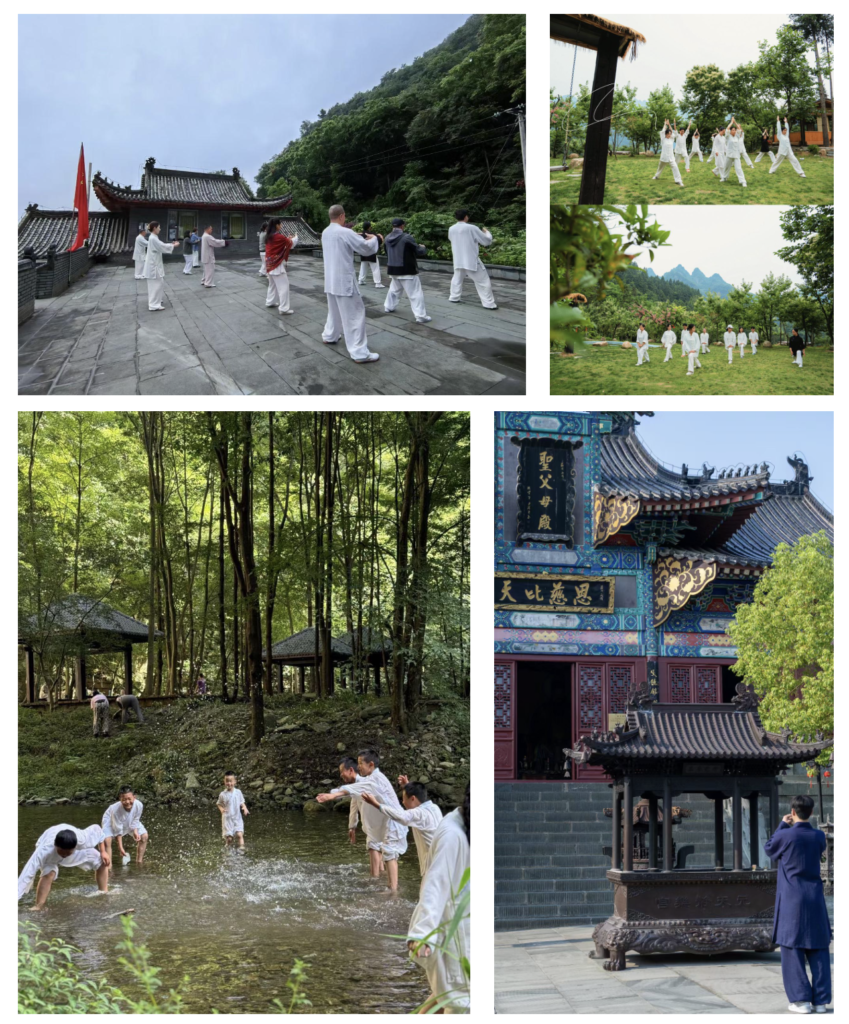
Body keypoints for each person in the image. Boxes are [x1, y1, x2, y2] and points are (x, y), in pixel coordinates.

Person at [763, 795, 832, 1014]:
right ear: (811, 812)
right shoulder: (819, 836)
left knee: (792, 946)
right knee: (818, 946)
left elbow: (769, 848)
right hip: (815, 897)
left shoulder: (785, 835)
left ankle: (801, 1001)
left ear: (793, 812)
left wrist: (783, 825)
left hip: (792, 898)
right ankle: (821, 1001)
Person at [407, 785, 470, 1014]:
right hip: (452, 928)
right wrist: (422, 932)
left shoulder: (438, 815)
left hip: (460, 919)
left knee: (448, 994)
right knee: (458, 999)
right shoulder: (451, 833)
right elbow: (436, 883)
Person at [316, 748, 409, 891]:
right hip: (382, 822)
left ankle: (392, 890)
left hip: (391, 820)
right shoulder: (369, 780)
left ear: (371, 764)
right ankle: (385, 884)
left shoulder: (375, 779)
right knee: (386, 853)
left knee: (388, 854)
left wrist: (334, 795)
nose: (358, 767)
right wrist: (352, 826)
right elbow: (354, 802)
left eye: (360, 763)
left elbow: (360, 788)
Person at [320, 204, 381, 363]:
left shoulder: (325, 232)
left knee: (334, 311)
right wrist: (376, 239)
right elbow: (365, 248)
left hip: (331, 279)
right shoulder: (345, 232)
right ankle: (359, 352)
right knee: (355, 314)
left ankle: (330, 335)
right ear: (342, 216)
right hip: (343, 279)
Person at [361, 776, 444, 877]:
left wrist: (376, 804)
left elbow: (400, 816)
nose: (403, 802)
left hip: (434, 864)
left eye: (404, 798)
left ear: (413, 798)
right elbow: (413, 804)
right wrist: (408, 786)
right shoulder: (434, 808)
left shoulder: (419, 813)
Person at [18, 823, 110, 908]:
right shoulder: (44, 851)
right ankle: (39, 906)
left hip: (73, 849)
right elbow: (26, 874)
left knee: (101, 860)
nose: (64, 855)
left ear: (75, 847)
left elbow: (98, 830)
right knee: (49, 873)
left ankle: (103, 893)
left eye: (67, 853)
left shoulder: (82, 839)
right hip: (50, 855)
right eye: (62, 852)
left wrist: (103, 851)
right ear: (55, 846)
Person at [337, 756, 382, 872]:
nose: (341, 775)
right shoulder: (355, 786)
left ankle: (375, 879)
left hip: (376, 823)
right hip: (375, 825)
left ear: (351, 770)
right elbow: (354, 805)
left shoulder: (365, 783)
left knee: (373, 848)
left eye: (342, 771)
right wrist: (352, 827)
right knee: (379, 852)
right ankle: (381, 877)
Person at [383, 217, 432, 324]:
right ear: (402, 226)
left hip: (393, 269)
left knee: (394, 290)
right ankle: (421, 316)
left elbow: (386, 252)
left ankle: (388, 307)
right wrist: (423, 247)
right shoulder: (406, 237)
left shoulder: (387, 238)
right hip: (407, 270)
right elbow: (418, 251)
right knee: (415, 293)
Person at [448, 210, 497, 309]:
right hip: (470, 260)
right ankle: (489, 304)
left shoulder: (451, 228)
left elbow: (451, 239)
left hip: (458, 259)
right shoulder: (472, 228)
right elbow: (486, 241)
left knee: (457, 278)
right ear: (466, 217)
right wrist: (487, 232)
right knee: (483, 281)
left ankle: (454, 297)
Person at [101, 786, 148, 865]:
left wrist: (135, 831)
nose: (127, 802)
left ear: (134, 797)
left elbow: (136, 819)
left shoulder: (139, 805)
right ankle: (108, 867)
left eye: (129, 799)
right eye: (124, 799)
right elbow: (118, 830)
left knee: (144, 836)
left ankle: (139, 862)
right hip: (110, 820)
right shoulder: (115, 809)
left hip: (129, 819)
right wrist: (120, 847)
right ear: (120, 799)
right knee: (107, 840)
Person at [142, 221, 180, 311]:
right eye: (159, 227)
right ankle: (154, 304)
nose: (160, 229)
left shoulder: (153, 237)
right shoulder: (153, 238)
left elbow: (161, 245)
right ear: (154, 228)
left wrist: (171, 245)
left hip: (154, 264)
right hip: (153, 265)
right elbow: (161, 246)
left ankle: (156, 301)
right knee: (156, 284)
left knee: (157, 284)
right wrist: (173, 245)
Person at [265, 218, 299, 315]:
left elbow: (284, 242)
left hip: (269, 264)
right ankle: (284, 308)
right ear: (276, 225)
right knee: (284, 286)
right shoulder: (278, 237)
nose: (281, 226)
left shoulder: (269, 236)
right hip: (276, 265)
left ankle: (270, 301)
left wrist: (288, 239)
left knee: (272, 285)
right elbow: (290, 244)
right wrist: (295, 237)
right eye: (280, 224)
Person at [217, 771, 249, 848]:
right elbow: (218, 803)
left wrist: (245, 808)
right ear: (224, 782)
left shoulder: (238, 792)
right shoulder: (222, 794)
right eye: (227, 781)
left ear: (235, 781)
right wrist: (221, 809)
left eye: (231, 781)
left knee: (239, 834)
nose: (229, 783)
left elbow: (242, 802)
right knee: (229, 839)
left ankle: (242, 848)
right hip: (227, 819)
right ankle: (227, 848)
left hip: (237, 817)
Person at [652, 121, 684, 186]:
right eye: (668, 134)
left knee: (675, 167)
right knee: (660, 167)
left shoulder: (671, 139)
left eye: (670, 134)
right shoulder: (663, 139)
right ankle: (656, 176)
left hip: (671, 158)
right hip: (664, 157)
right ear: (666, 134)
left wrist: (669, 125)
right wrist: (664, 124)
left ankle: (678, 180)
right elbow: (663, 131)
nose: (670, 135)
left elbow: (672, 132)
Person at [357, 221, 385, 288]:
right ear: (369, 227)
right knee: (375, 268)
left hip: (363, 253)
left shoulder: (360, 235)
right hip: (371, 254)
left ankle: (361, 280)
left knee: (363, 267)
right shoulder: (372, 234)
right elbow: (380, 240)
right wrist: (380, 235)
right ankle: (377, 283)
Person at [721, 118, 747, 187]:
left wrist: (735, 122)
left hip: (736, 155)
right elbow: (727, 128)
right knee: (726, 167)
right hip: (729, 155)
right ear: (730, 131)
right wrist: (731, 122)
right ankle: (724, 178)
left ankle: (743, 181)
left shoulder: (737, 136)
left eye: (735, 130)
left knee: (738, 168)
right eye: (733, 130)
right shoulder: (727, 136)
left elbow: (739, 129)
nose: (734, 131)